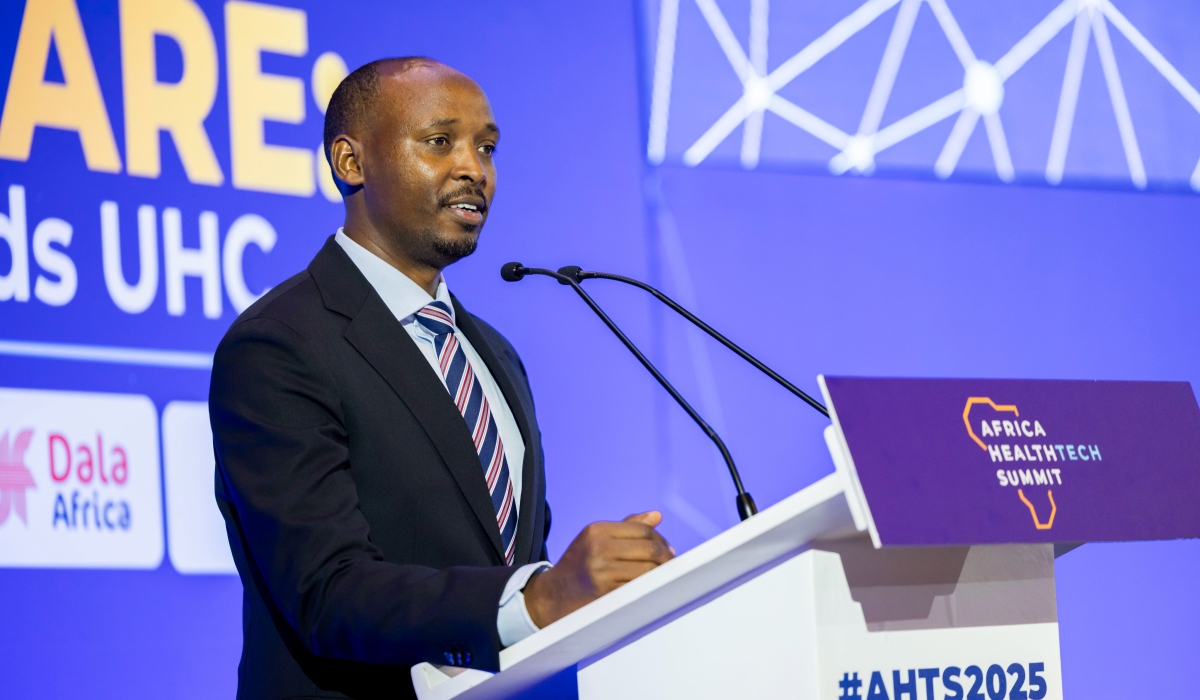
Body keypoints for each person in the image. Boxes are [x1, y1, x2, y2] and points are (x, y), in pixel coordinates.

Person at [209, 57, 675, 699]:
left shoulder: (494, 355)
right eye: (439, 142)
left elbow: (504, 555)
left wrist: (591, 591)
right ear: (351, 162)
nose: (473, 168)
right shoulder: (279, 345)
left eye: (486, 147)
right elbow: (327, 591)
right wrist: (537, 598)